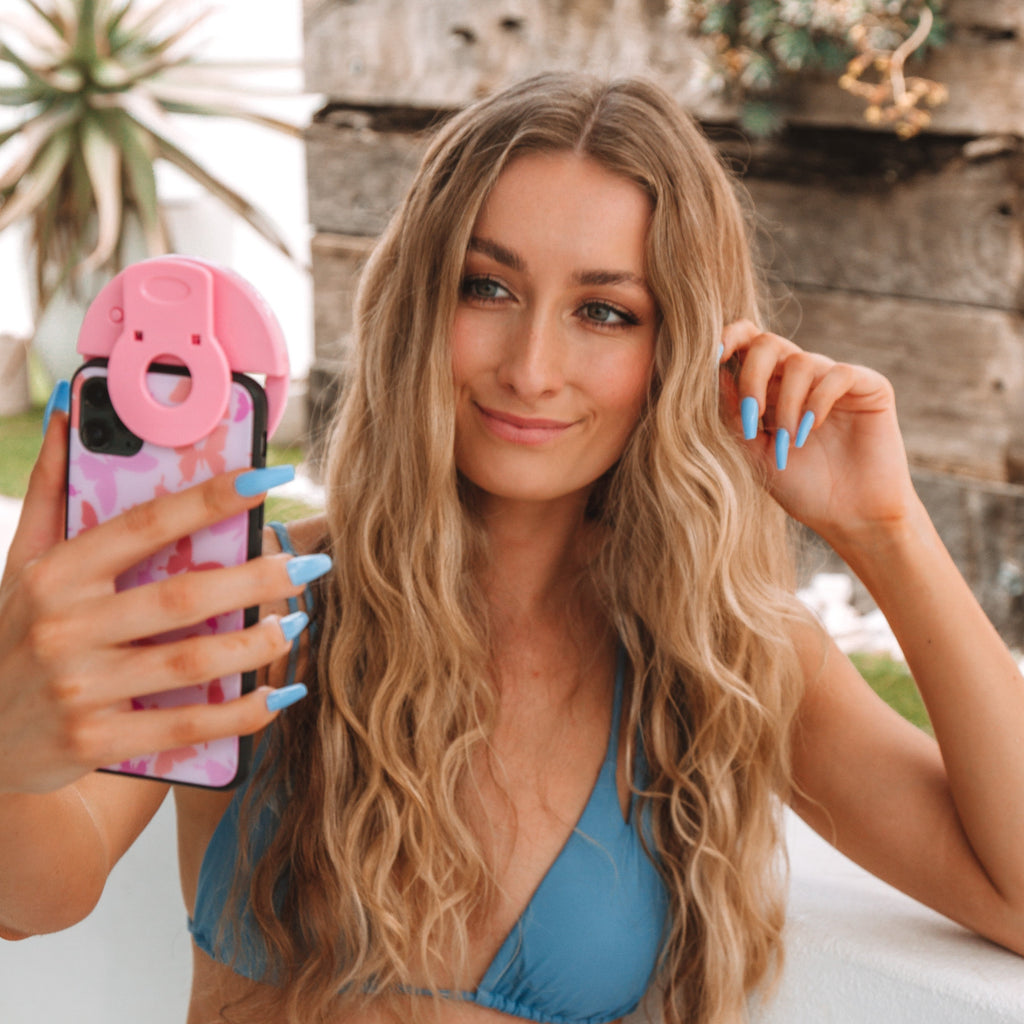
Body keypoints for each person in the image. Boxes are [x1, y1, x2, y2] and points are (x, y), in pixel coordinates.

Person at [1, 71, 1023, 1024]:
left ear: (676, 350)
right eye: (485, 289)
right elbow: (37, 891)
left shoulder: (727, 657)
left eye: (603, 311)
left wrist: (883, 531)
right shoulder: (258, 601)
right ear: (416, 304)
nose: (533, 369)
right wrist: (11, 738)